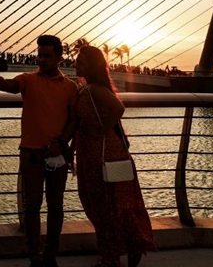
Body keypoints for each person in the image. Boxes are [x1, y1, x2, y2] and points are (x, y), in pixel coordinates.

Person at [0, 35, 78, 267]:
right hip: (31, 154)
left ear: (59, 57)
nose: (42, 60)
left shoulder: (70, 87)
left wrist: (62, 142)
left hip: (57, 154)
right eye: (39, 55)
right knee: (32, 206)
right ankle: (35, 255)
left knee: (56, 207)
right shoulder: (28, 79)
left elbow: (74, 120)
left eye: (47, 55)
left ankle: (51, 254)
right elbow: (8, 86)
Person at [64, 46, 156, 267]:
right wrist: (70, 148)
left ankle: (112, 257)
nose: (77, 65)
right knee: (111, 205)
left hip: (104, 155)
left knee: (107, 206)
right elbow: (79, 124)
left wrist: (100, 131)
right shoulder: (85, 88)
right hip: (95, 154)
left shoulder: (94, 89)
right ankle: (128, 248)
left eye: (83, 62)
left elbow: (118, 108)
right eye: (77, 61)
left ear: (93, 66)